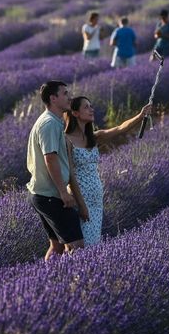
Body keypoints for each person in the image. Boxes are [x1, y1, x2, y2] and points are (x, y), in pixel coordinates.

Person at [64, 97, 151, 245]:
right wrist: (81, 205)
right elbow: (69, 175)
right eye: (86, 107)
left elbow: (120, 129)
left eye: (91, 106)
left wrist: (140, 115)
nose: (92, 110)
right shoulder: (67, 140)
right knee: (78, 245)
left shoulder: (94, 137)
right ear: (75, 113)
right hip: (79, 198)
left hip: (96, 198)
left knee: (93, 242)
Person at [26, 81, 86, 260]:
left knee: (57, 246)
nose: (70, 97)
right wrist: (63, 192)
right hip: (51, 196)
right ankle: (66, 283)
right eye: (65, 94)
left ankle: (47, 282)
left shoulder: (53, 122)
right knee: (77, 246)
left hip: (44, 194)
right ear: (53, 98)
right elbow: (50, 158)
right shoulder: (49, 124)